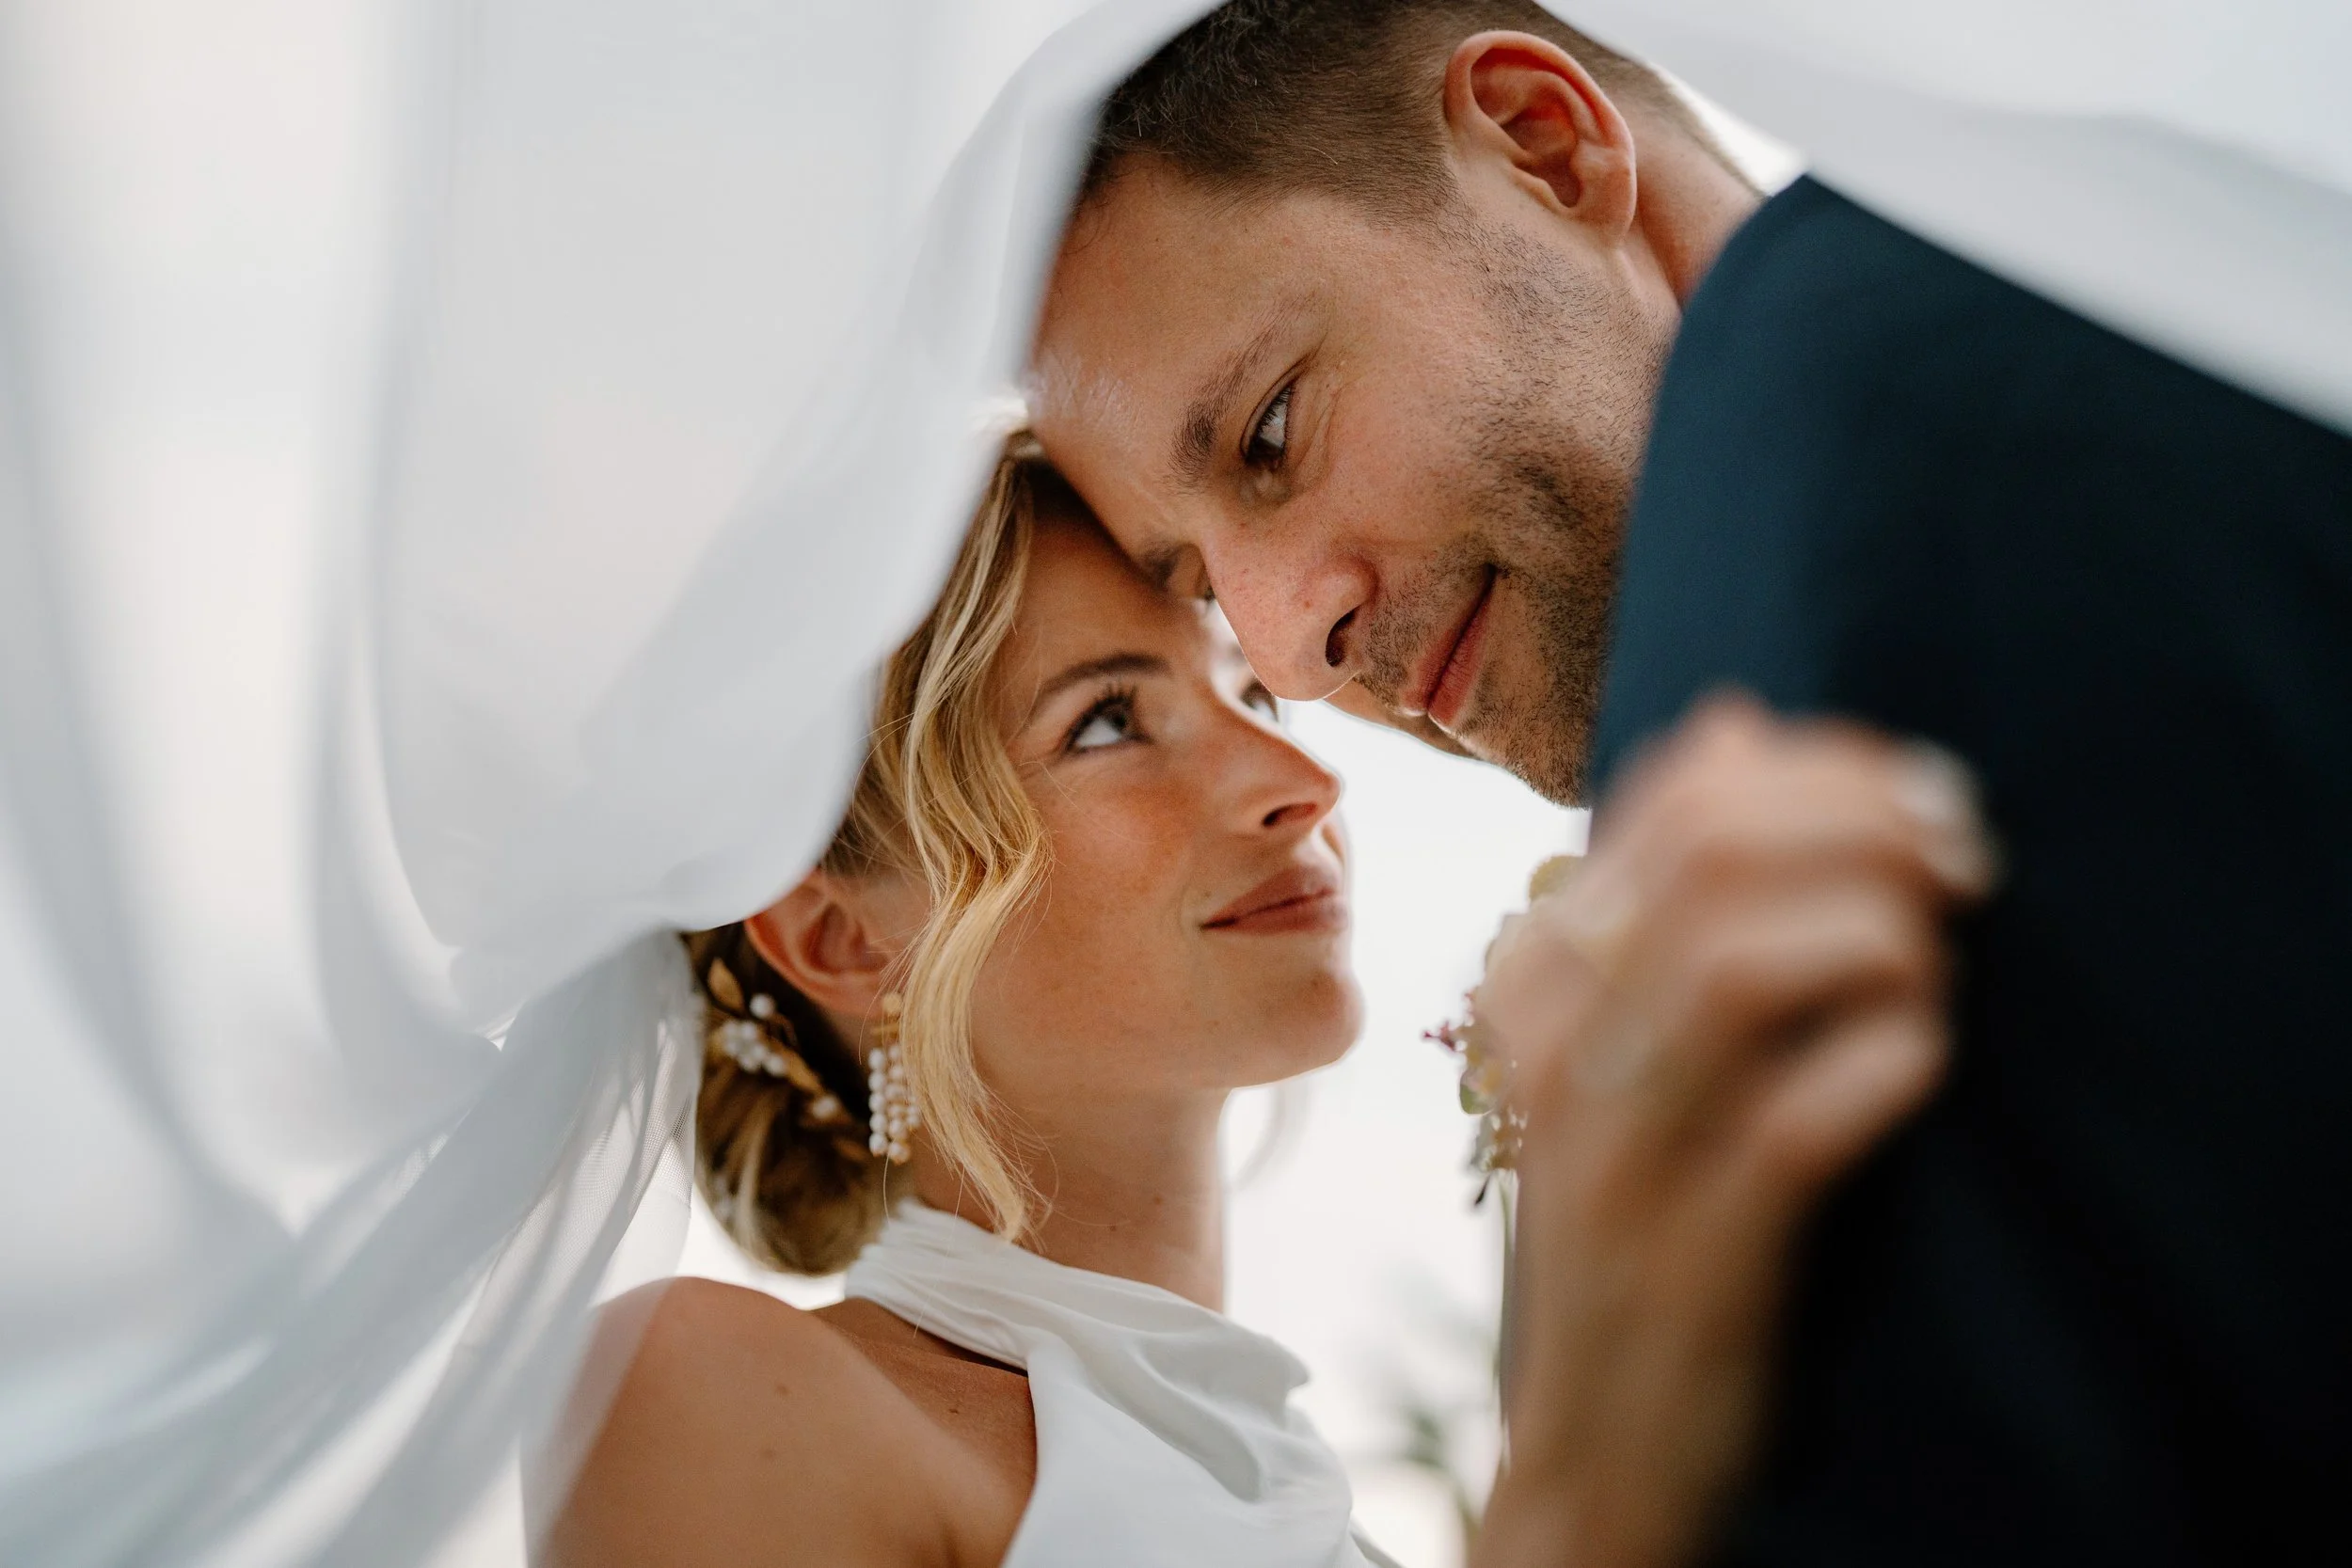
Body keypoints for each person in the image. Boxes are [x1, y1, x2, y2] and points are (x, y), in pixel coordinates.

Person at [1028, 3, 2352, 1565]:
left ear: (1543, 139)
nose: (1295, 656)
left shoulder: (1859, 428)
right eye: (1205, 597)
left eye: (1272, 429)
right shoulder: (2115, 274)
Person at [539, 440, 1992, 1568]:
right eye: (1108, 720)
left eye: (1248, 685)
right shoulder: (710, 1395)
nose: (1301, 780)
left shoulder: (1329, 1506)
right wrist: (1586, 1454)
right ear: (842, 932)